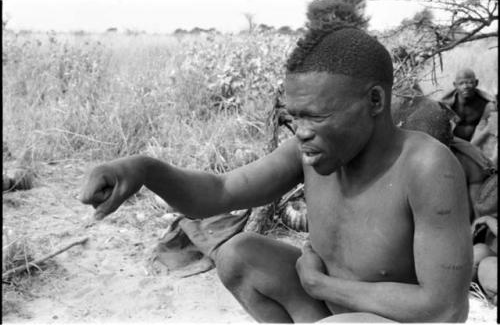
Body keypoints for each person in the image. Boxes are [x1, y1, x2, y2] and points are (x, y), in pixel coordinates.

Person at [80, 25, 473, 322]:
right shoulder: (308, 153)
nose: (301, 131)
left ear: (374, 100)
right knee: (238, 255)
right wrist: (144, 169)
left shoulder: (427, 168)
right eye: (295, 116)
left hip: (395, 321)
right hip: (330, 311)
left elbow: (445, 309)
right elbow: (219, 191)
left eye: (316, 116)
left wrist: (323, 285)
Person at [441, 68, 497, 165]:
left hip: (478, 148)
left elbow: (487, 130)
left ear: (476, 83)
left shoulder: (487, 104)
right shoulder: (446, 106)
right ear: (455, 85)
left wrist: (471, 148)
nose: (465, 86)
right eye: (461, 83)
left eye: (469, 82)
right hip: (453, 148)